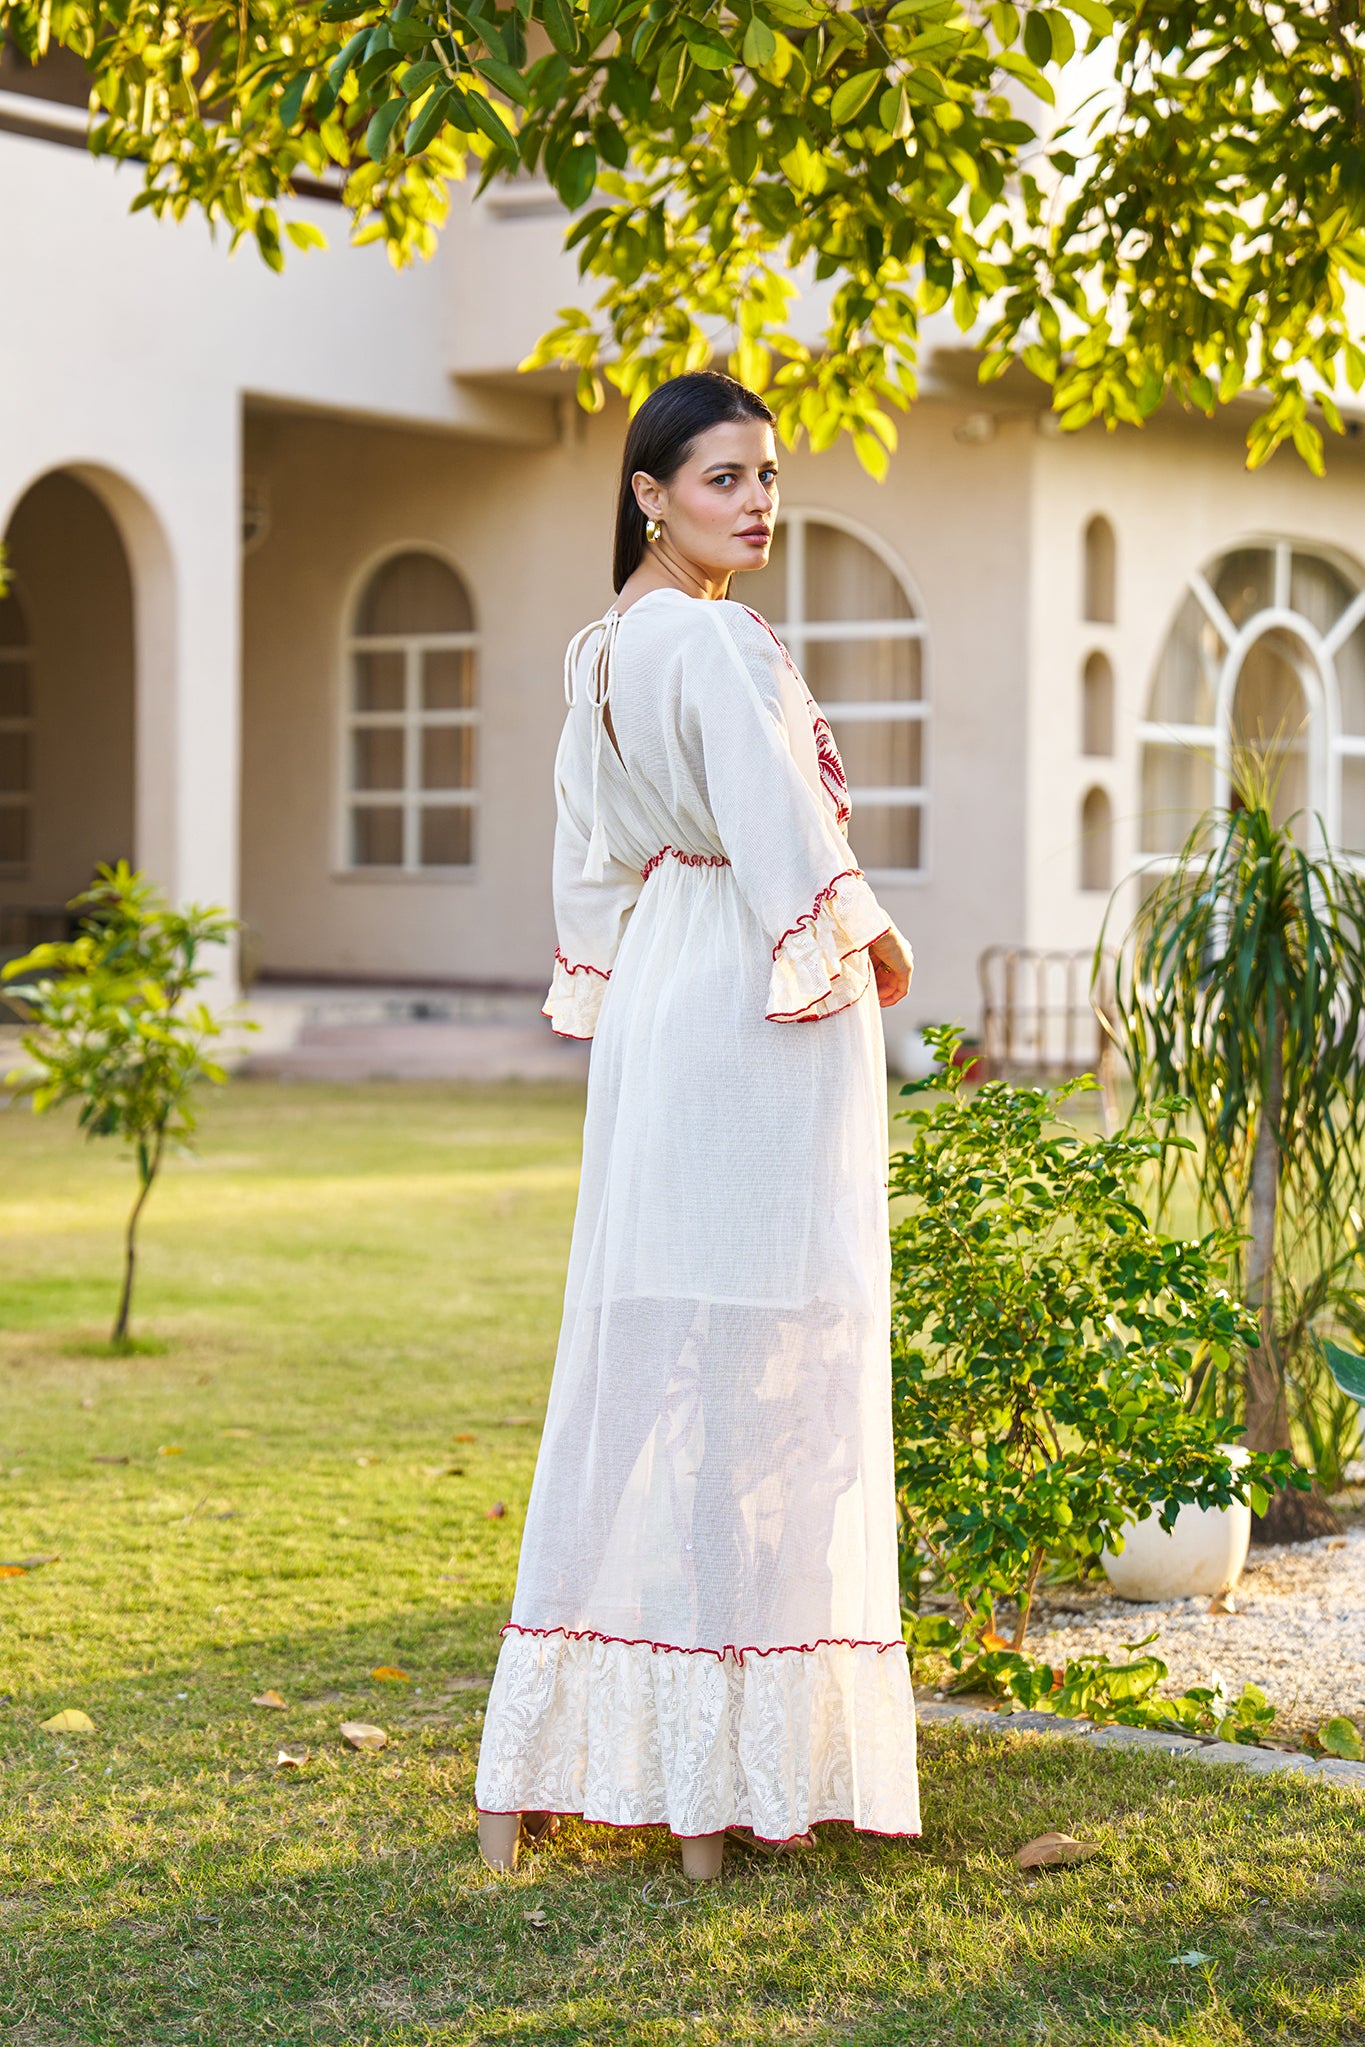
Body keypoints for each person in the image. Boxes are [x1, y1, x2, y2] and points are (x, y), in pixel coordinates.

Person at [474, 371, 919, 1882]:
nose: (757, 502)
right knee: (758, 1361)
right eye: (724, 477)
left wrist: (635, 973)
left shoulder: (601, 650)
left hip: (668, 990)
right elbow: (781, 826)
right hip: (752, 998)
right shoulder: (716, 641)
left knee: (644, 1351)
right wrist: (857, 933)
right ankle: (710, 1786)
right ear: (649, 494)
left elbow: (588, 860)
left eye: (768, 476)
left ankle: (558, 1767)